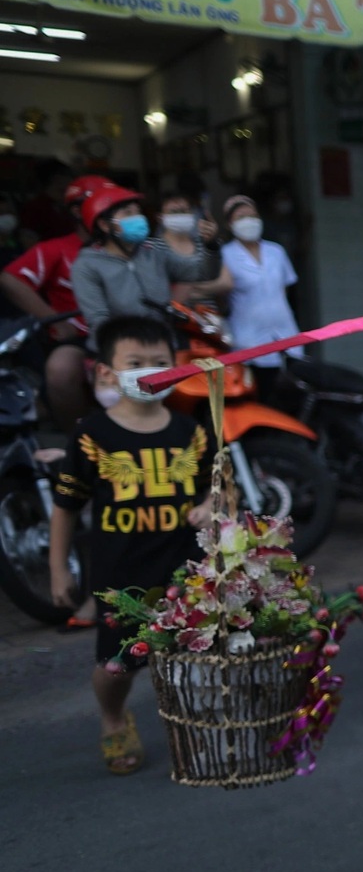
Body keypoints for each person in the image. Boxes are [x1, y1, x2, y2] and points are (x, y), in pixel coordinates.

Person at [47, 314, 213, 774]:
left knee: (192, 652)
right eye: (135, 361)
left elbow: (215, 489)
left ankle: (193, 726)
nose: (149, 369)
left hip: (186, 569)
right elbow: (66, 506)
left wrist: (208, 506)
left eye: (159, 361)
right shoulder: (90, 436)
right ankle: (113, 716)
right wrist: (60, 569)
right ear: (105, 371)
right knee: (119, 663)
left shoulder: (192, 432)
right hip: (120, 576)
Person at [1, 173, 109, 432]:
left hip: (132, 335)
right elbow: (9, 279)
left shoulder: (135, 246)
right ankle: (78, 442)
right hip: (82, 338)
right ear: (76, 209)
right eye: (103, 202)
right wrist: (53, 319)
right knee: (60, 369)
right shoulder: (56, 248)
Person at [70, 185, 214, 339]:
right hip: (122, 352)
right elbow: (99, 322)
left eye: (138, 212)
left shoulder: (154, 250)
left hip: (165, 343)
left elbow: (193, 273)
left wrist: (208, 245)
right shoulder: (86, 266)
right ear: (105, 225)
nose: (138, 218)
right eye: (128, 213)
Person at [218, 196, 301, 399]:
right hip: (248, 339)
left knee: (291, 396)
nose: (249, 220)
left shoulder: (276, 251)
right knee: (260, 396)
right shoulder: (225, 254)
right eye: (241, 217)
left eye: (252, 216)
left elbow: (285, 290)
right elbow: (222, 298)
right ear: (230, 224)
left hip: (285, 334)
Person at [154, 192, 230, 307]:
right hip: (176, 318)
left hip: (210, 318)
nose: (180, 215)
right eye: (174, 212)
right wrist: (209, 288)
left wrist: (189, 288)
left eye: (184, 211)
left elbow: (225, 283)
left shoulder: (206, 243)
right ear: (160, 217)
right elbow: (158, 291)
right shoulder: (152, 248)